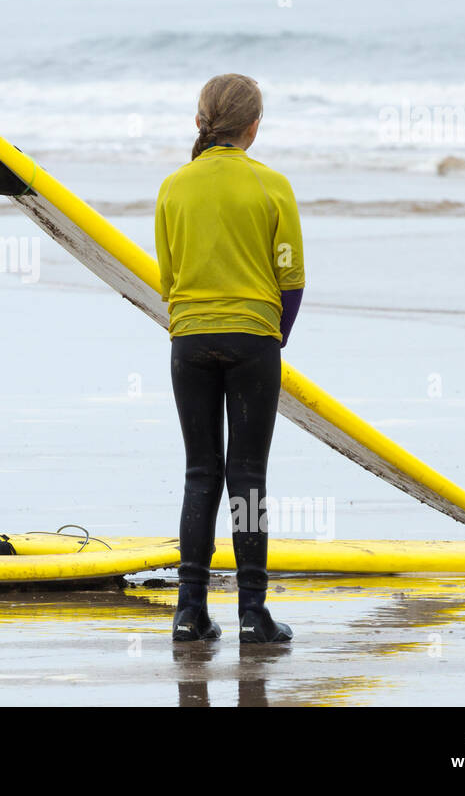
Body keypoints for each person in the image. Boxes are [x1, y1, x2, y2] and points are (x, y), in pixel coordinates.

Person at [154, 74, 305, 643]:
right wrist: (275, 337)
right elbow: (290, 276)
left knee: (200, 473)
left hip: (189, 340)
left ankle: (189, 610)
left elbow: (168, 278)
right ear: (254, 126)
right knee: (248, 479)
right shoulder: (273, 186)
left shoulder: (173, 187)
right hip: (253, 341)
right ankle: (252, 611)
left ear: (199, 123)